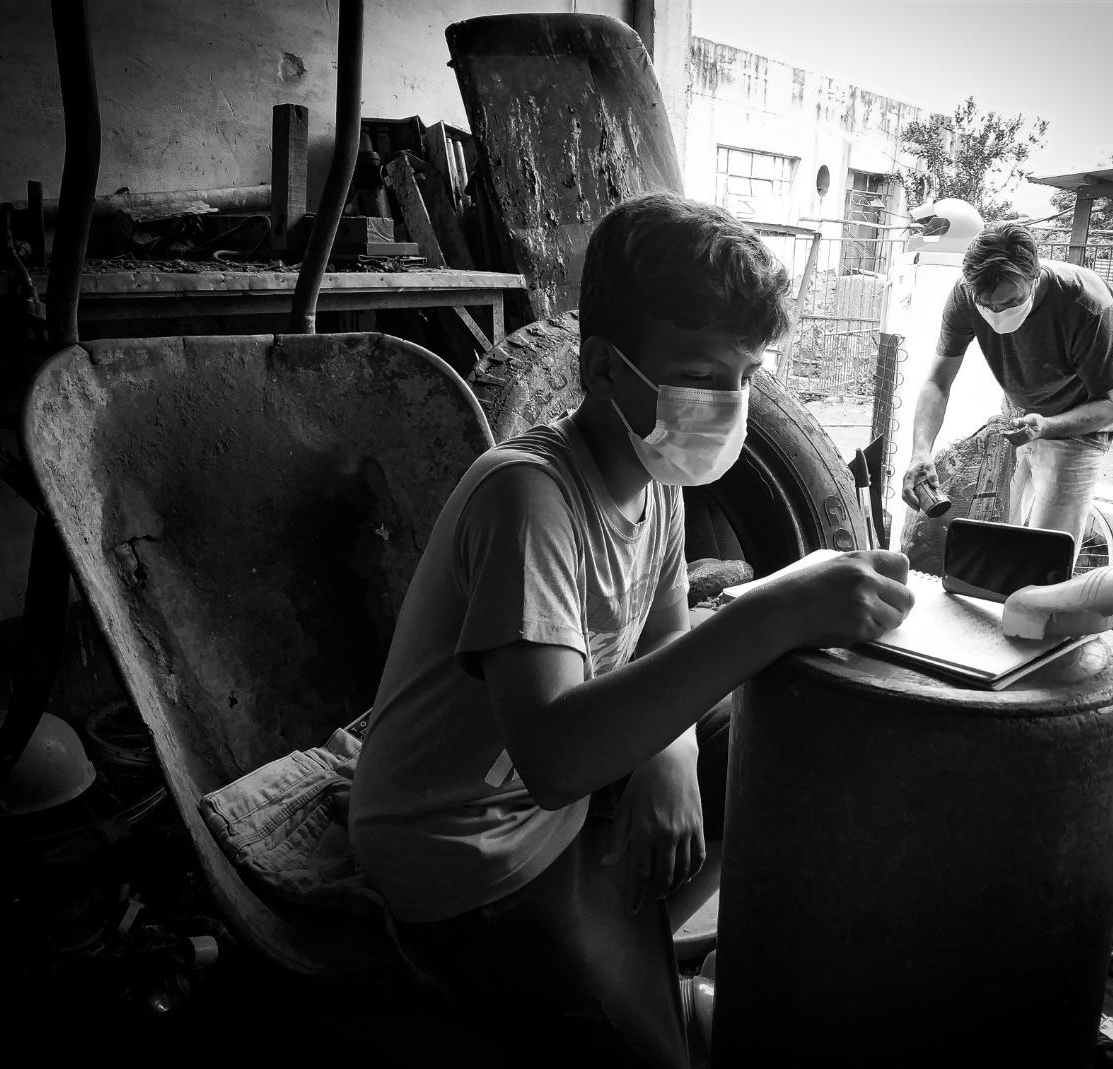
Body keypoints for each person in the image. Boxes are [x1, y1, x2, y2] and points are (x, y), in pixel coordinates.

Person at [348, 190, 914, 1066]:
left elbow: (664, 635)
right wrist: (776, 608)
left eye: (745, 376)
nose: (727, 403)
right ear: (602, 368)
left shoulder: (658, 482)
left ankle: (725, 943)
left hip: (560, 797)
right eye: (698, 374)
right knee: (650, 1054)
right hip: (466, 850)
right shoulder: (527, 496)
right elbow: (555, 758)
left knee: (788, 734)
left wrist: (671, 754)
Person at [902, 221, 1113, 556]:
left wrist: (1047, 427)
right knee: (994, 544)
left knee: (1046, 559)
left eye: (1011, 301)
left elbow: (1110, 403)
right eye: (986, 304)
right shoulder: (965, 293)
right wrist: (920, 451)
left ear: (1034, 276)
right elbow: (938, 381)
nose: (996, 313)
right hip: (1016, 421)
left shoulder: (1086, 304)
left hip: (1078, 430)